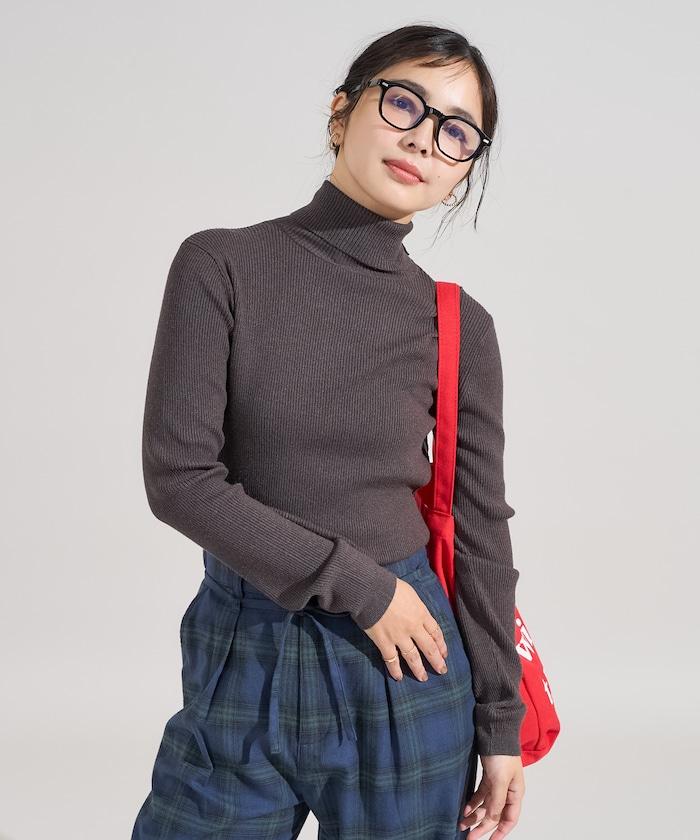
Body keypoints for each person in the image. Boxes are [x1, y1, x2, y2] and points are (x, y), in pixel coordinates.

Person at [130, 23, 527, 840]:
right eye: (405, 103)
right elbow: (180, 479)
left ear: (463, 172)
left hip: (409, 662)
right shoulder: (221, 265)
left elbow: (480, 530)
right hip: (248, 644)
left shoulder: (458, 325)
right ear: (342, 111)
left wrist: (501, 724)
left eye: (456, 133)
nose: (423, 138)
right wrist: (361, 588)